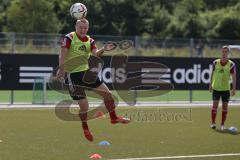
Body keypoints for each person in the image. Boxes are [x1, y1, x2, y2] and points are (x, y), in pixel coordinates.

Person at [57, 18, 130, 141]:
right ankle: (85, 127)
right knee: (85, 107)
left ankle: (114, 118)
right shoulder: (69, 38)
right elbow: (62, 53)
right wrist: (61, 69)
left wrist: (103, 49)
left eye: (85, 28)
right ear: (75, 27)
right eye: (80, 27)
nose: (83, 30)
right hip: (73, 76)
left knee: (108, 95)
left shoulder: (90, 40)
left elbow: (96, 53)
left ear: (88, 28)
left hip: (87, 74)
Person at [209, 46, 236, 130]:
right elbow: (212, 73)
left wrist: (234, 88)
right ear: (221, 52)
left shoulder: (231, 64)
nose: (224, 53)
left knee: (225, 107)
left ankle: (222, 125)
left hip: (225, 89)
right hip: (216, 88)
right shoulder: (215, 62)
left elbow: (234, 77)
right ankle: (213, 123)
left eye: (226, 52)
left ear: (228, 53)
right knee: (215, 105)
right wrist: (210, 84)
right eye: (223, 51)